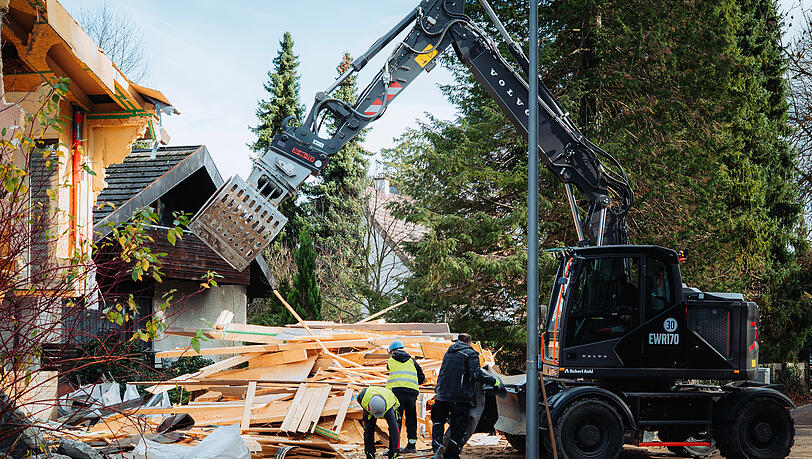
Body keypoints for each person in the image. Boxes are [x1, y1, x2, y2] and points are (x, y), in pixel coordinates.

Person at [432, 333, 501, 459]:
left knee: (438, 421)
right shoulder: (471, 354)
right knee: (459, 427)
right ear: (470, 342)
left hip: (442, 394)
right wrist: (494, 381)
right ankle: (451, 455)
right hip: (459, 396)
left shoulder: (449, 353)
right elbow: (476, 374)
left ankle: (437, 448)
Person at [385, 340, 426, 453]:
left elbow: (389, 369)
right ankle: (411, 446)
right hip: (411, 393)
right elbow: (422, 376)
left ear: (392, 351)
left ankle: (394, 448)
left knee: (396, 421)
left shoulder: (391, 360)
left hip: (397, 393)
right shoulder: (412, 361)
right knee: (411, 420)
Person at [357, 386, 401, 459]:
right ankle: (369, 452)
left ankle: (393, 452)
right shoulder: (362, 397)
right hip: (370, 408)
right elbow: (368, 431)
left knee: (394, 427)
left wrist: (396, 451)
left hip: (389, 402)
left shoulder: (389, 408)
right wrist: (368, 452)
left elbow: (395, 431)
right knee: (368, 429)